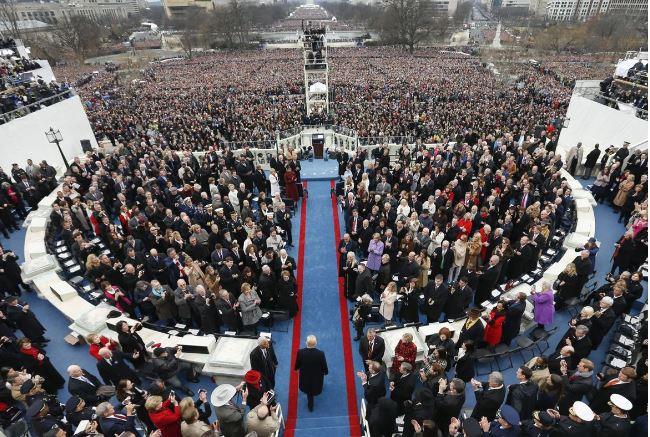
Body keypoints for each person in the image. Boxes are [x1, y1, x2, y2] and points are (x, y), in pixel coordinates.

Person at [294, 335, 328, 412]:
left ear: (306, 343)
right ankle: (312, 402)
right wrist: (326, 372)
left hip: (305, 376)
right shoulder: (320, 354)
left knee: (309, 391)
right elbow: (324, 364)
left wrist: (296, 368)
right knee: (316, 386)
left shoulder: (301, 352)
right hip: (317, 376)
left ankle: (310, 406)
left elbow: (298, 363)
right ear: (316, 343)